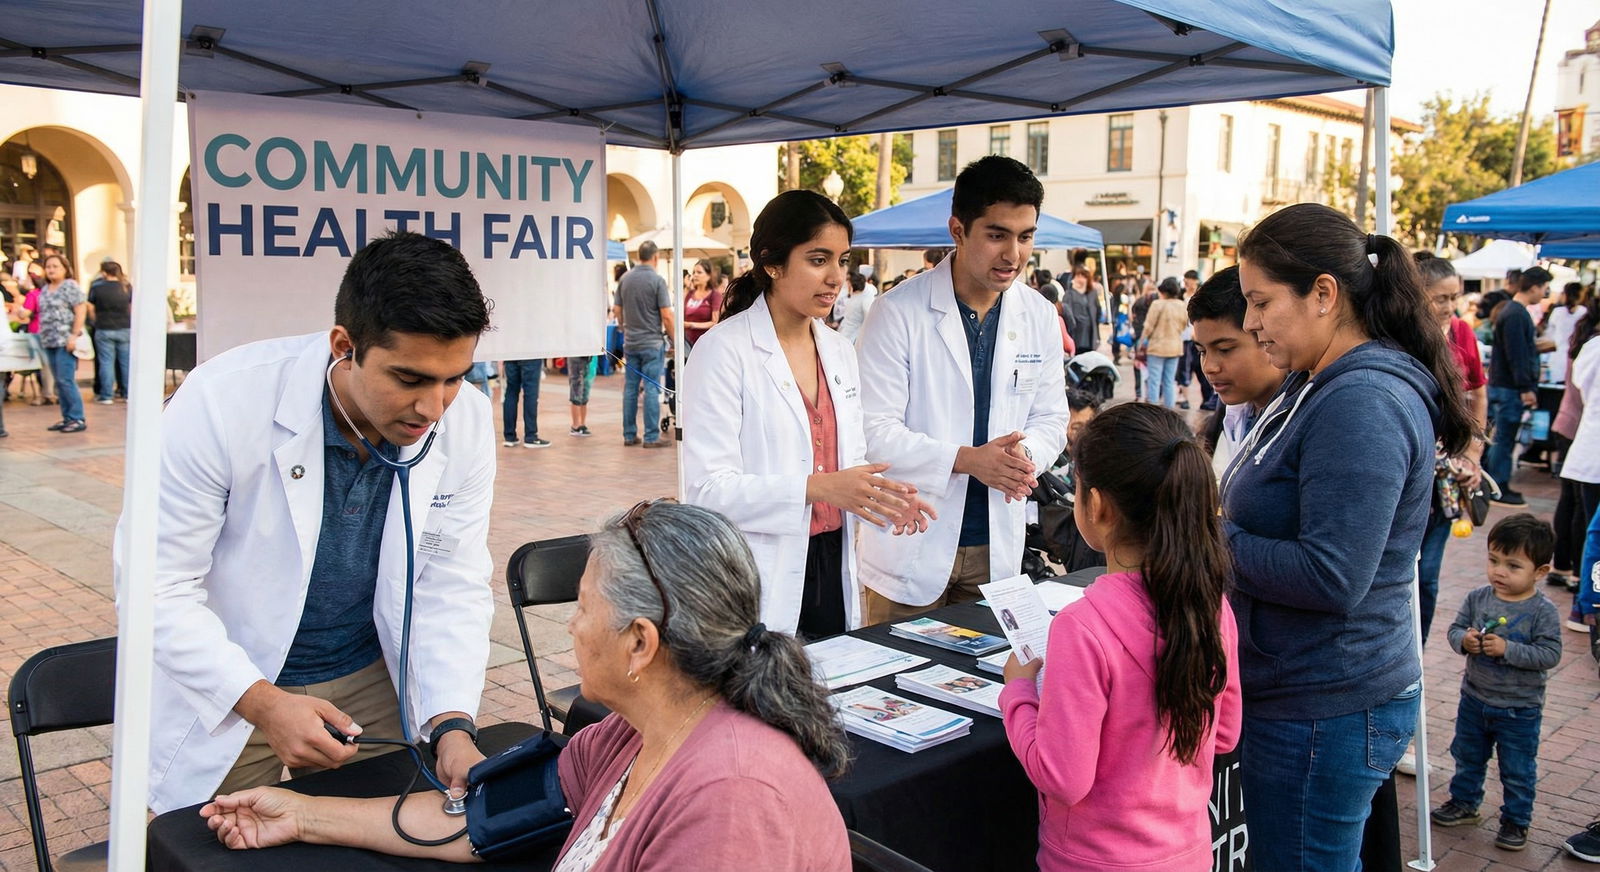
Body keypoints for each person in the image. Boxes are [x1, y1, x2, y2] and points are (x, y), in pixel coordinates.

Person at [201, 502, 853, 870]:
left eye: (583, 606)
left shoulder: (731, 798)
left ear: (639, 643)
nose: (570, 625)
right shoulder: (632, 735)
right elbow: (479, 820)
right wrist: (303, 815)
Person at [118, 231, 497, 814]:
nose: (434, 408)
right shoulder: (222, 401)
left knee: (389, 836)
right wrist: (263, 703)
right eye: (410, 379)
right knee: (218, 845)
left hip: (369, 671)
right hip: (234, 680)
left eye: (454, 377)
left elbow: (449, 581)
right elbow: (154, 585)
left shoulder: (464, 421)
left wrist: (451, 723)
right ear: (344, 345)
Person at [1223, 204, 1473, 869]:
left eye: (1261, 302)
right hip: (1312, 691)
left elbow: (1332, 575)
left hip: (1323, 704)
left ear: (1325, 294)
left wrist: (1214, 542)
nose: (1250, 323)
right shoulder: (1318, 383)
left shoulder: (1361, 401)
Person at [1001, 403, 1241, 872]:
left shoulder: (1082, 628)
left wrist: (1018, 691)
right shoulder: (1213, 607)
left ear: (1096, 505)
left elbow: (1062, 777)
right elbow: (1225, 733)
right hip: (1187, 851)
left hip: (1093, 859)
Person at [682, 190, 932, 637]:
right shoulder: (723, 351)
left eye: (842, 260)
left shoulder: (838, 350)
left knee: (830, 690)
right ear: (773, 264)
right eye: (818, 260)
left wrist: (880, 495)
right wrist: (818, 487)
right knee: (762, 698)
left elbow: (847, 458)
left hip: (831, 560)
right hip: (757, 564)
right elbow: (707, 493)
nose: (836, 277)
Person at [855, 155, 1070, 623]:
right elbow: (871, 430)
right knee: (895, 689)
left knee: (985, 688)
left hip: (997, 543)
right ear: (957, 230)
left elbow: (1053, 418)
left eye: (1025, 236)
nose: (1013, 254)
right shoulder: (897, 312)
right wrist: (968, 460)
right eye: (997, 235)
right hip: (910, 540)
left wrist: (1019, 457)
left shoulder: (1038, 315)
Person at [1430, 514, 1561, 852]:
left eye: (1513, 566)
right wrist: (1465, 641)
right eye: (1493, 560)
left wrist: (1509, 650)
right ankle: (1464, 802)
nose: (1499, 571)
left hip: (1519, 709)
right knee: (1467, 754)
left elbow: (1549, 653)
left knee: (1516, 768)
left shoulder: (1541, 611)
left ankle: (1516, 820)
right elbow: (1455, 629)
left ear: (1540, 572)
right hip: (1474, 698)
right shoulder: (1478, 597)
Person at [1412, 253, 1489, 646]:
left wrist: (1473, 452)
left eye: (1453, 297)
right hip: (1408, 472)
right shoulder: (1398, 334)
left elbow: (1477, 391)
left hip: (1446, 478)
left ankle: (1417, 657)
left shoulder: (1461, 332)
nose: (1449, 307)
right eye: (1440, 298)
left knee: (1426, 577)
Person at [1186, 266, 1284, 476]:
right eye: (1202, 351)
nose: (1210, 367)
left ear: (1268, 336)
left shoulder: (1302, 421)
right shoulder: (1231, 415)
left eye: (1225, 350)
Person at [1485, 266, 1551, 507]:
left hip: (1507, 385)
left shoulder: (1514, 312)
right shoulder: (1515, 313)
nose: (1545, 293)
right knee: (1504, 438)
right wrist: (1526, 388)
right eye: (1544, 288)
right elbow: (1517, 354)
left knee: (1501, 437)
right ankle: (1497, 484)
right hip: (1509, 388)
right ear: (1534, 287)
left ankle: (1495, 482)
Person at [614, 241, 674, 448]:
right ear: (655, 257)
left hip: (631, 342)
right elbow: (666, 315)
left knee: (630, 388)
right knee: (651, 388)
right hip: (651, 342)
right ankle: (650, 436)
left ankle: (629, 435)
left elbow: (616, 309)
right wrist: (674, 339)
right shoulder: (657, 280)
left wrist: (623, 327)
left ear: (639, 255)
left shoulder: (625, 278)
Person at [34, 254, 87, 433]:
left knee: (66, 379)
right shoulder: (45, 289)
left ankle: (77, 417)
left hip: (65, 340)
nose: (51, 270)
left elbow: (80, 311)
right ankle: (67, 417)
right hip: (49, 341)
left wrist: (74, 335)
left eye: (55, 266)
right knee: (59, 381)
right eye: (48, 266)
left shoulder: (70, 286)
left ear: (65, 268)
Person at [88, 259, 132, 404]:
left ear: (104, 272)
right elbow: (131, 307)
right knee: (125, 362)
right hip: (124, 326)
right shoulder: (126, 286)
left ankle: (106, 395)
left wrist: (95, 321)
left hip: (104, 327)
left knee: (106, 362)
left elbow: (90, 307)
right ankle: (127, 393)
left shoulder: (97, 287)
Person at [1137, 277, 1185, 409]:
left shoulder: (1157, 304)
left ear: (1163, 290)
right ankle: (1169, 410)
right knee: (1169, 381)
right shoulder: (1182, 305)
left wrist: (1140, 343)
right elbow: (1184, 325)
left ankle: (1154, 410)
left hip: (1157, 347)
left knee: (1154, 381)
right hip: (1175, 347)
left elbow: (1148, 327)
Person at [1543, 282, 1589, 385]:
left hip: (1557, 361)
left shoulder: (1557, 312)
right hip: (1577, 361)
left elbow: (1549, 335)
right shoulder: (1584, 312)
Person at [501, 358, 550, 448]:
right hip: (531, 354)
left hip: (510, 354)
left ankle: (509, 436)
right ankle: (530, 436)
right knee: (530, 394)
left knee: (511, 393)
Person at [682, 258, 722, 349]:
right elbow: (681, 314)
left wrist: (692, 325)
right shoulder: (689, 294)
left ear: (708, 276)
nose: (695, 275)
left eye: (699, 272)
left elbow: (715, 322)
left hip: (706, 343)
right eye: (694, 272)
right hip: (687, 343)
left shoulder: (714, 295)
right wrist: (686, 289)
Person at [1061, 267, 1100, 354]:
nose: (1081, 279)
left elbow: (1098, 311)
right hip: (1076, 334)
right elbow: (1066, 313)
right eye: (1078, 276)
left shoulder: (1092, 293)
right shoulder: (1069, 294)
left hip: (1090, 334)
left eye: (1083, 276)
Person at [836, 271, 877, 344]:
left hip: (854, 336)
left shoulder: (866, 299)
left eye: (848, 283)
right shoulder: (854, 295)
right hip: (845, 330)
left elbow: (869, 319)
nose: (847, 284)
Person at [567, 353, 596, 437]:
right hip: (577, 353)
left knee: (585, 390)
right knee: (576, 389)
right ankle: (576, 425)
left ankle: (582, 423)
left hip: (590, 354)